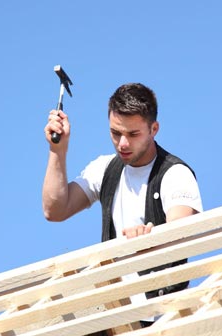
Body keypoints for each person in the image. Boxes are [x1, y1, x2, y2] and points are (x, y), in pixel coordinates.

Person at [42, 82, 203, 315]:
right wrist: (58, 150)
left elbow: (180, 232)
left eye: (133, 134)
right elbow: (55, 210)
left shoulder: (175, 174)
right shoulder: (104, 169)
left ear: (154, 129)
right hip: (117, 312)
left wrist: (149, 240)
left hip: (165, 313)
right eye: (116, 133)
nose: (123, 143)